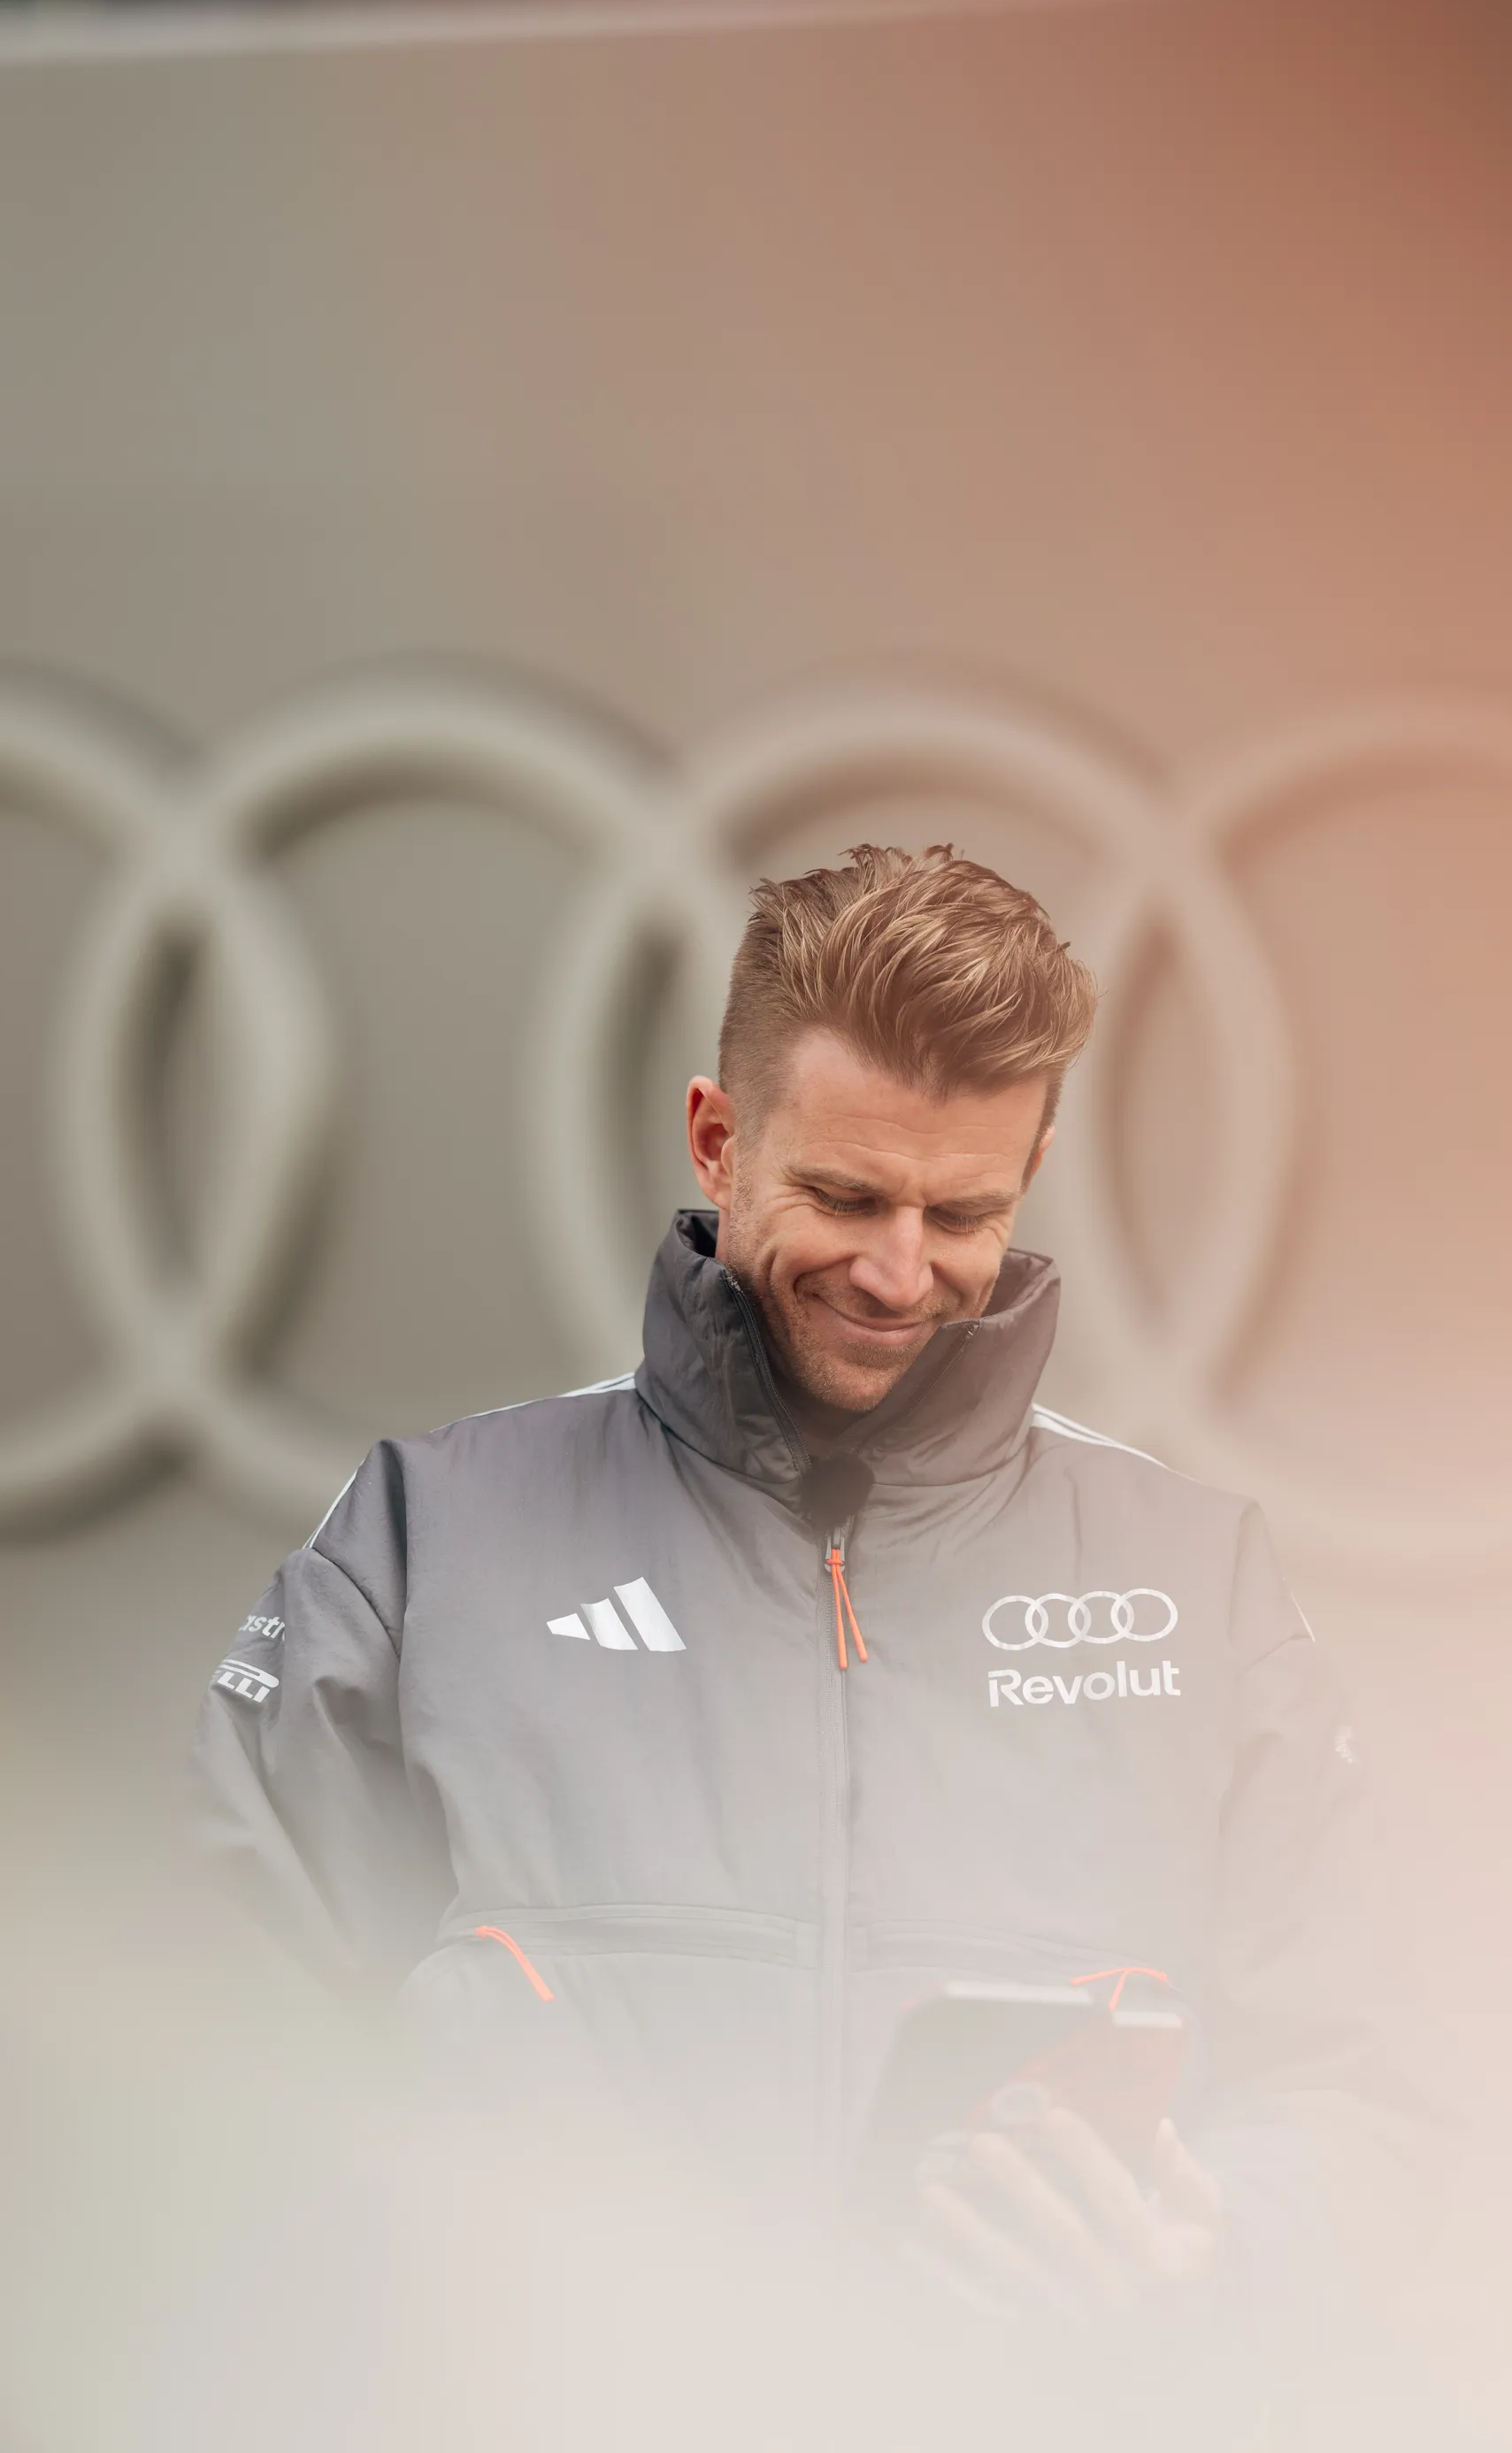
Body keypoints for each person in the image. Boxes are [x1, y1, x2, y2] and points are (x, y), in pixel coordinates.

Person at [190, 843, 1426, 2418]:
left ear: (1032, 1171)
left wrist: (1218, 2249)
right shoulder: (433, 1541)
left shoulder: (1196, 1580)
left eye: (961, 1210)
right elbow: (203, 2047)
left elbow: (1363, 2088)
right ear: (718, 1138)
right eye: (845, 1195)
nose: (900, 1272)